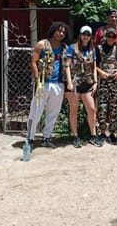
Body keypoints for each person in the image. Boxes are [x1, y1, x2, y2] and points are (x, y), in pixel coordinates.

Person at [27, 21, 69, 150]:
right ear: (53, 30)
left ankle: (47, 137)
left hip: (58, 84)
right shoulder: (42, 44)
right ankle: (30, 138)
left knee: (53, 113)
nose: (61, 34)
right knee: (36, 111)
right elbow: (33, 62)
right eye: (59, 31)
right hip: (43, 83)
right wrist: (37, 78)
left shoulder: (64, 47)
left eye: (63, 32)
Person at [65, 25, 102, 148]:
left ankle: (93, 135)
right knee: (74, 110)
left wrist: (96, 82)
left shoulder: (92, 49)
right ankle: (75, 136)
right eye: (83, 34)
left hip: (87, 82)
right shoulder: (72, 48)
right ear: (80, 35)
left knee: (91, 109)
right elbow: (67, 66)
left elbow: (94, 66)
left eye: (88, 34)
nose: (85, 36)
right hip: (74, 83)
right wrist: (69, 82)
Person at [95, 27, 117, 144]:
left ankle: (112, 132)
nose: (111, 38)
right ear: (105, 37)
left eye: (113, 36)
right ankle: (102, 132)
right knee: (102, 107)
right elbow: (94, 65)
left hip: (115, 82)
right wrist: (100, 72)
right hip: (103, 81)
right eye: (109, 36)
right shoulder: (99, 49)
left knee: (114, 108)